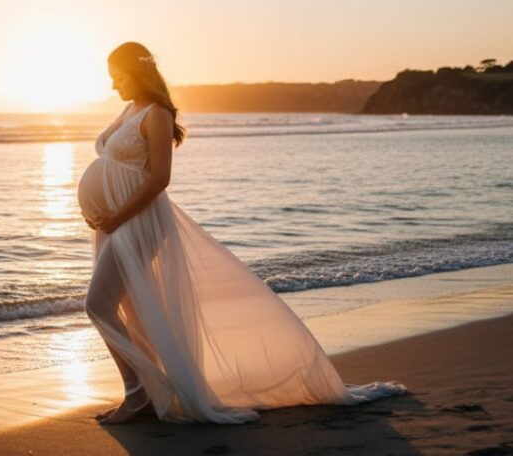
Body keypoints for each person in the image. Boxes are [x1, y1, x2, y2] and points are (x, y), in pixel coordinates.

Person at [76, 41, 405, 425]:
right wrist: (103, 211)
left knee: (97, 305)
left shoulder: (157, 113)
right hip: (114, 223)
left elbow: (160, 178)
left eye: (118, 76)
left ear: (137, 72)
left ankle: (137, 395)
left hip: (137, 222)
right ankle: (147, 392)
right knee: (130, 312)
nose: (113, 85)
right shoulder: (129, 109)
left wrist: (117, 215)